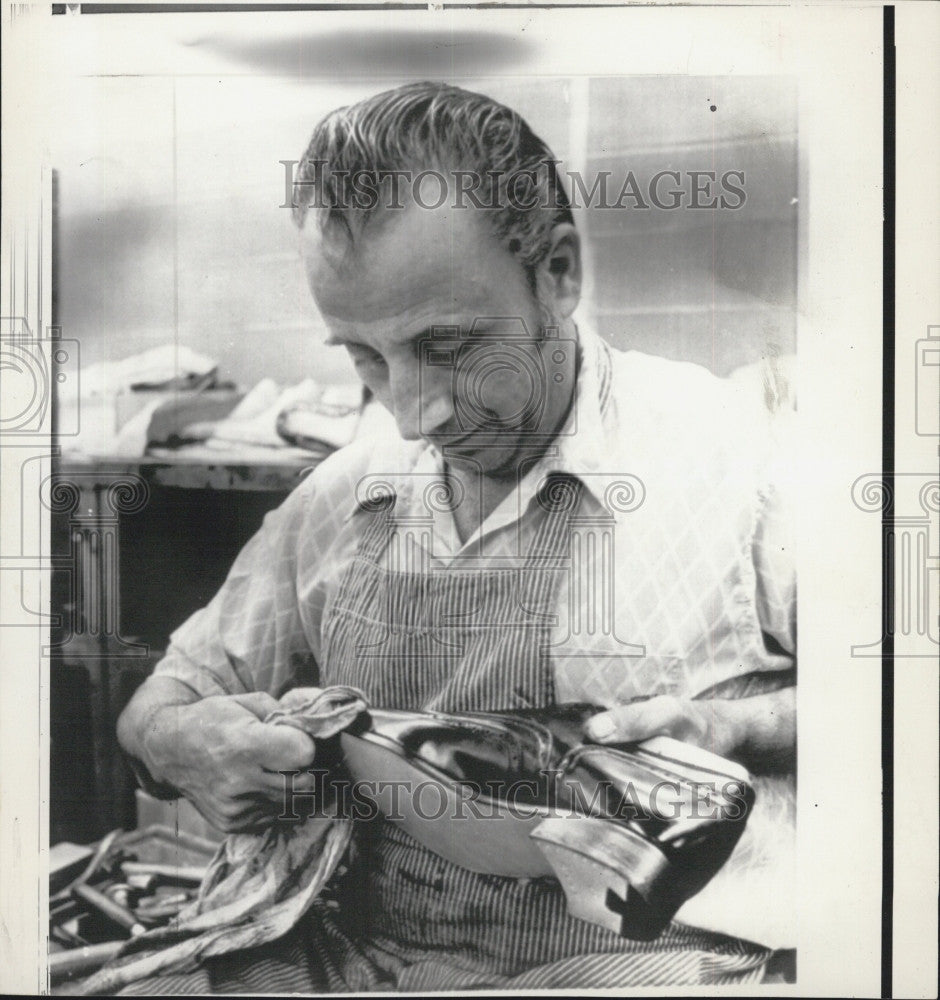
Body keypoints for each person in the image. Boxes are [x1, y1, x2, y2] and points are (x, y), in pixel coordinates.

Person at [117, 81, 796, 992]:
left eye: (451, 347)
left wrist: (731, 723)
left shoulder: (741, 462)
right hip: (362, 958)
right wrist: (178, 744)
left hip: (640, 964)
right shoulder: (347, 491)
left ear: (557, 272)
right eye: (365, 357)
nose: (409, 414)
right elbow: (158, 705)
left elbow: (906, 715)